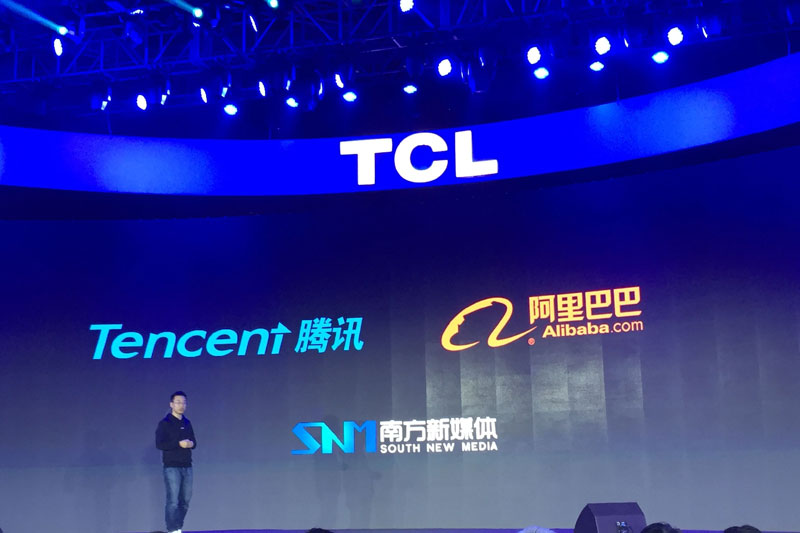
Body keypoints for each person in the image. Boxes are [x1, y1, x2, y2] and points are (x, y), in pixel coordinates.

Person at [155, 391, 197, 533]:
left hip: (187, 465)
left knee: (185, 500)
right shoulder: (165, 423)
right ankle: (173, 529)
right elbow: (160, 444)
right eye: (178, 402)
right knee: (173, 500)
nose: (181, 405)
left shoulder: (187, 422)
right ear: (171, 404)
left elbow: (194, 442)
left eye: (184, 402)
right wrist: (178, 444)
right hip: (172, 466)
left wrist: (190, 444)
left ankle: (178, 526)